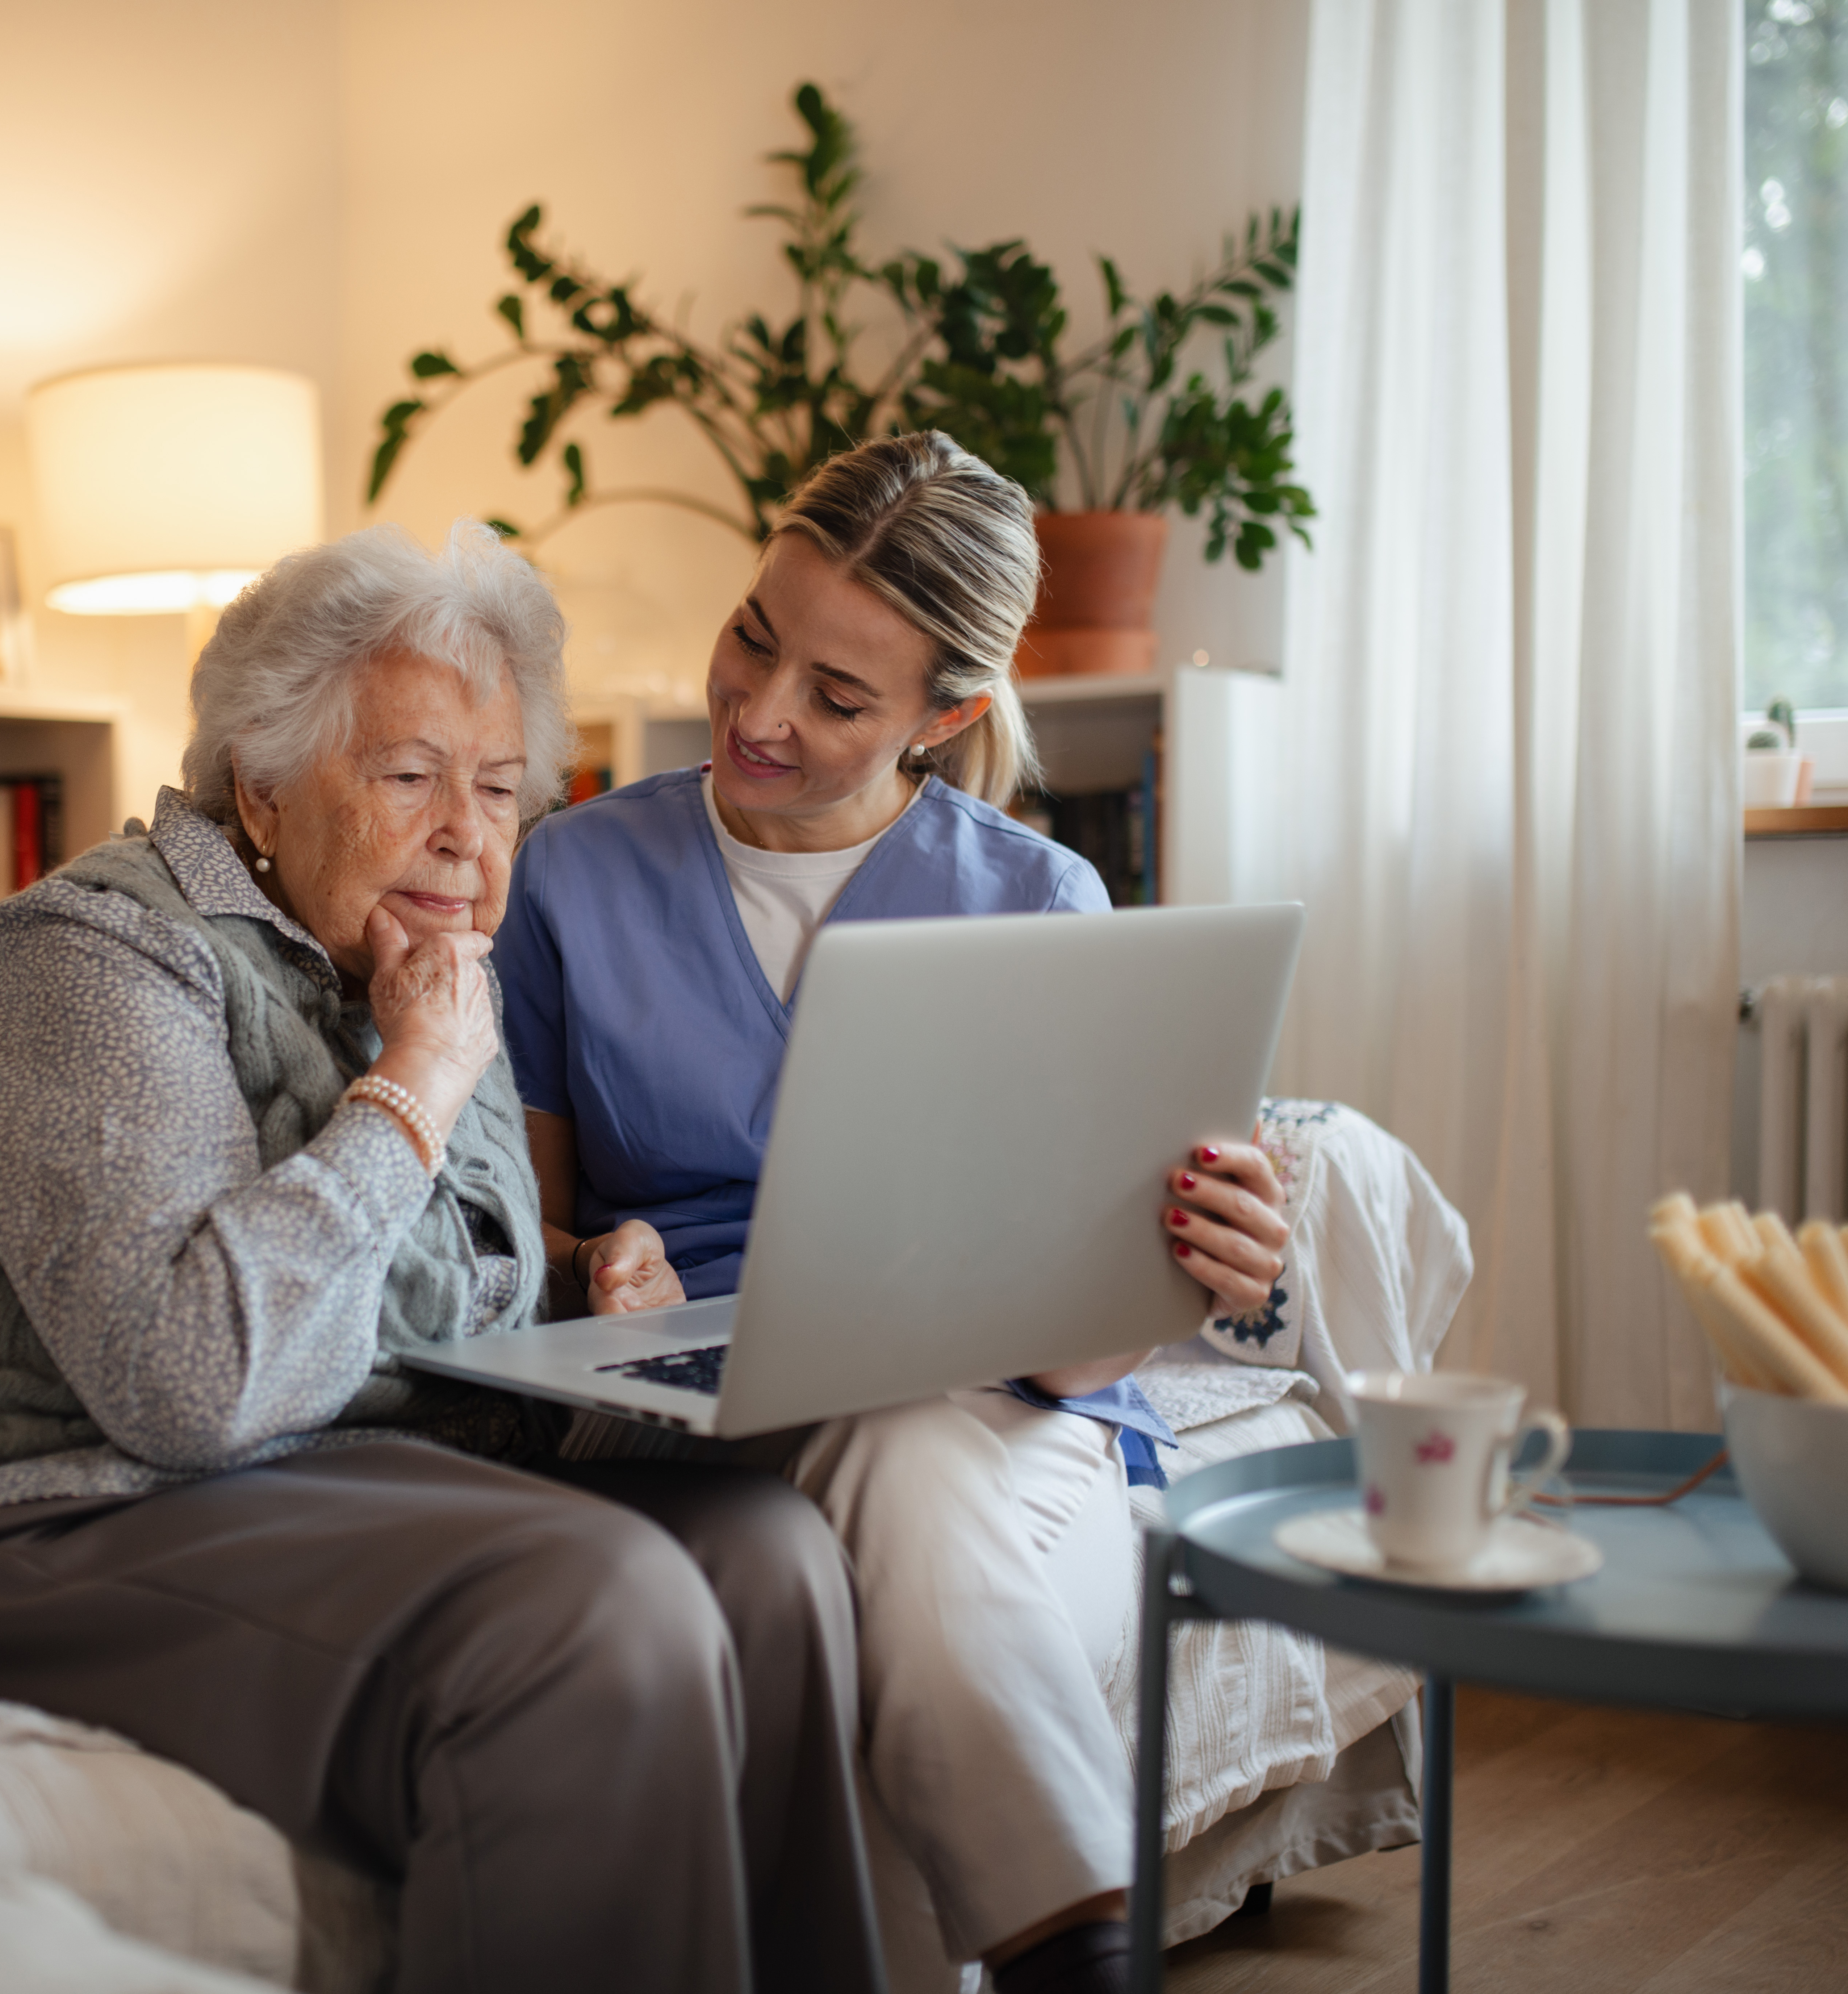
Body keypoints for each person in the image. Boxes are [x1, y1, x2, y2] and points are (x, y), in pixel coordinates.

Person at [0, 520, 886, 1994]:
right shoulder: (97, 957)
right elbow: (190, 1380)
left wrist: (582, 1287)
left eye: (498, 791)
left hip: (295, 1485)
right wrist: (411, 1092)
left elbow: (408, 1318)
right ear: (263, 785)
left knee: (769, 1550)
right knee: (593, 1600)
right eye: (410, 775)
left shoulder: (417, 975)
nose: (467, 836)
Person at [494, 434, 1295, 1994]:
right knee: (878, 1457)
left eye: (841, 696)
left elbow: (1074, 1357)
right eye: (754, 637)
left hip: (977, 1404)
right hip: (673, 1392)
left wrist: (1194, 1259)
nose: (762, 710)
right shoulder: (570, 877)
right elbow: (517, 1243)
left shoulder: (1038, 902)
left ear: (948, 716)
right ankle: (1088, 1951)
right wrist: (603, 1263)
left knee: (896, 1439)